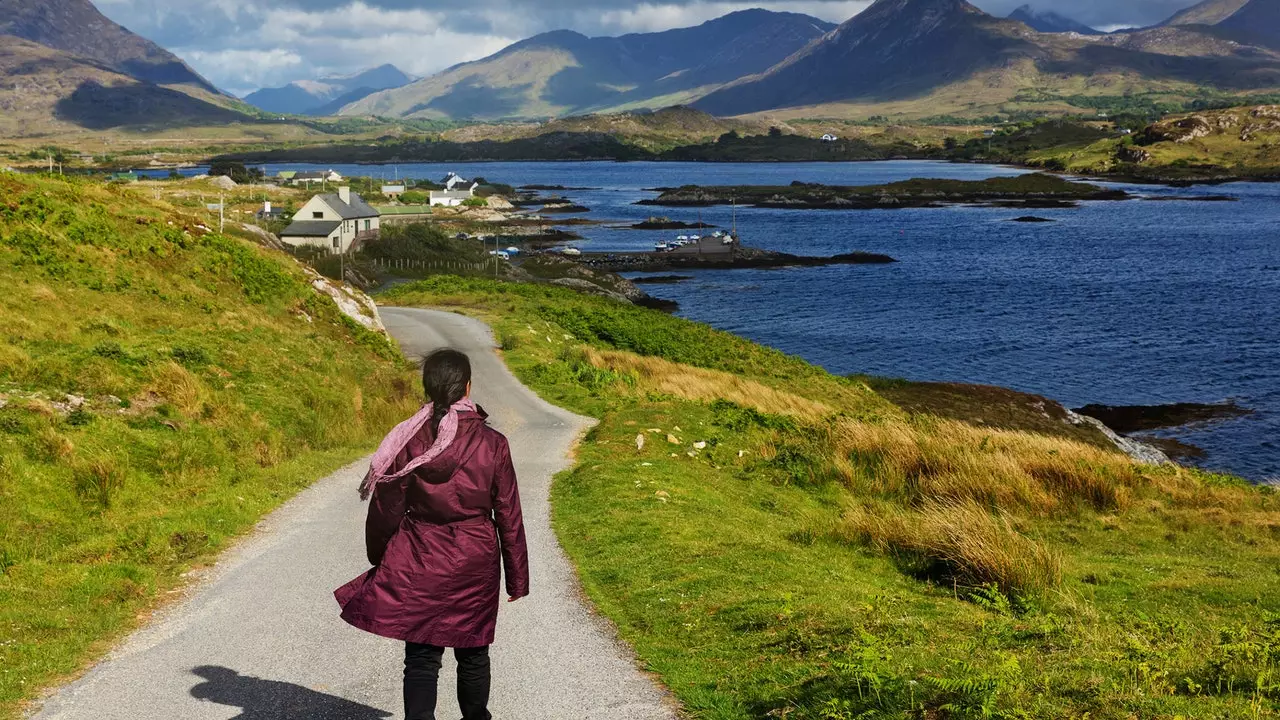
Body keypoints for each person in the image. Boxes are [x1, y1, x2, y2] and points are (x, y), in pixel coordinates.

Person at [335, 349, 529, 720]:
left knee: (422, 657)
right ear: (468, 387)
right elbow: (509, 514)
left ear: (427, 388)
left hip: (419, 554)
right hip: (475, 555)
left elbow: (385, 507)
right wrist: (517, 579)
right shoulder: (494, 443)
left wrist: (381, 558)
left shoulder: (405, 440)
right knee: (473, 652)